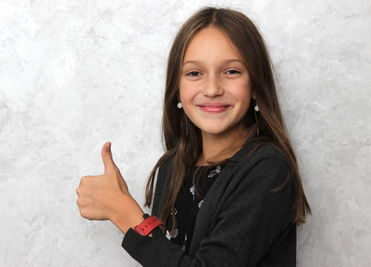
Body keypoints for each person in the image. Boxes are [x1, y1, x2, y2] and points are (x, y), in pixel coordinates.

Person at [76, 6, 311, 266]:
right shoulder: (171, 166)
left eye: (231, 71)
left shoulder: (267, 169)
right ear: (177, 90)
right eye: (194, 73)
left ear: (255, 85)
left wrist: (123, 213)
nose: (212, 89)